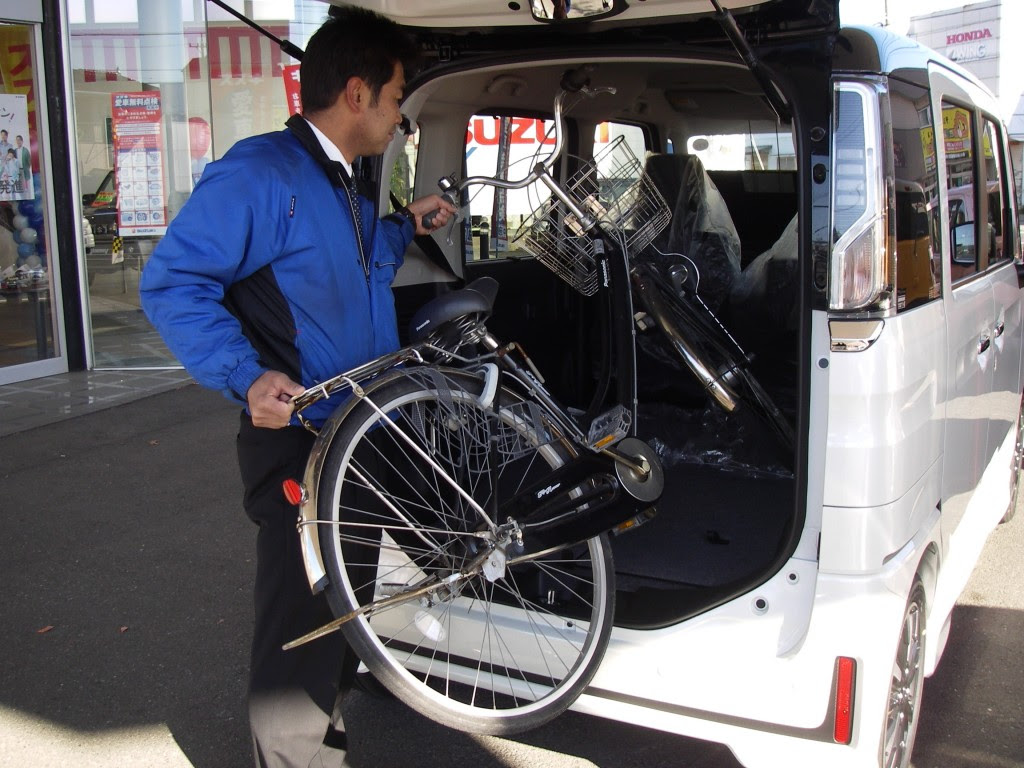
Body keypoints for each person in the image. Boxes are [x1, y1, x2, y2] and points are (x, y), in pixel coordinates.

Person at [139, 8, 456, 768]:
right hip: (301, 441)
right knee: (301, 620)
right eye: (397, 98)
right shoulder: (259, 173)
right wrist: (245, 376)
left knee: (343, 601)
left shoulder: (342, 180)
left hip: (362, 430)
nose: (399, 118)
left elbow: (335, 268)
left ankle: (334, 715)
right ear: (357, 92)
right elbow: (171, 281)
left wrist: (401, 229)